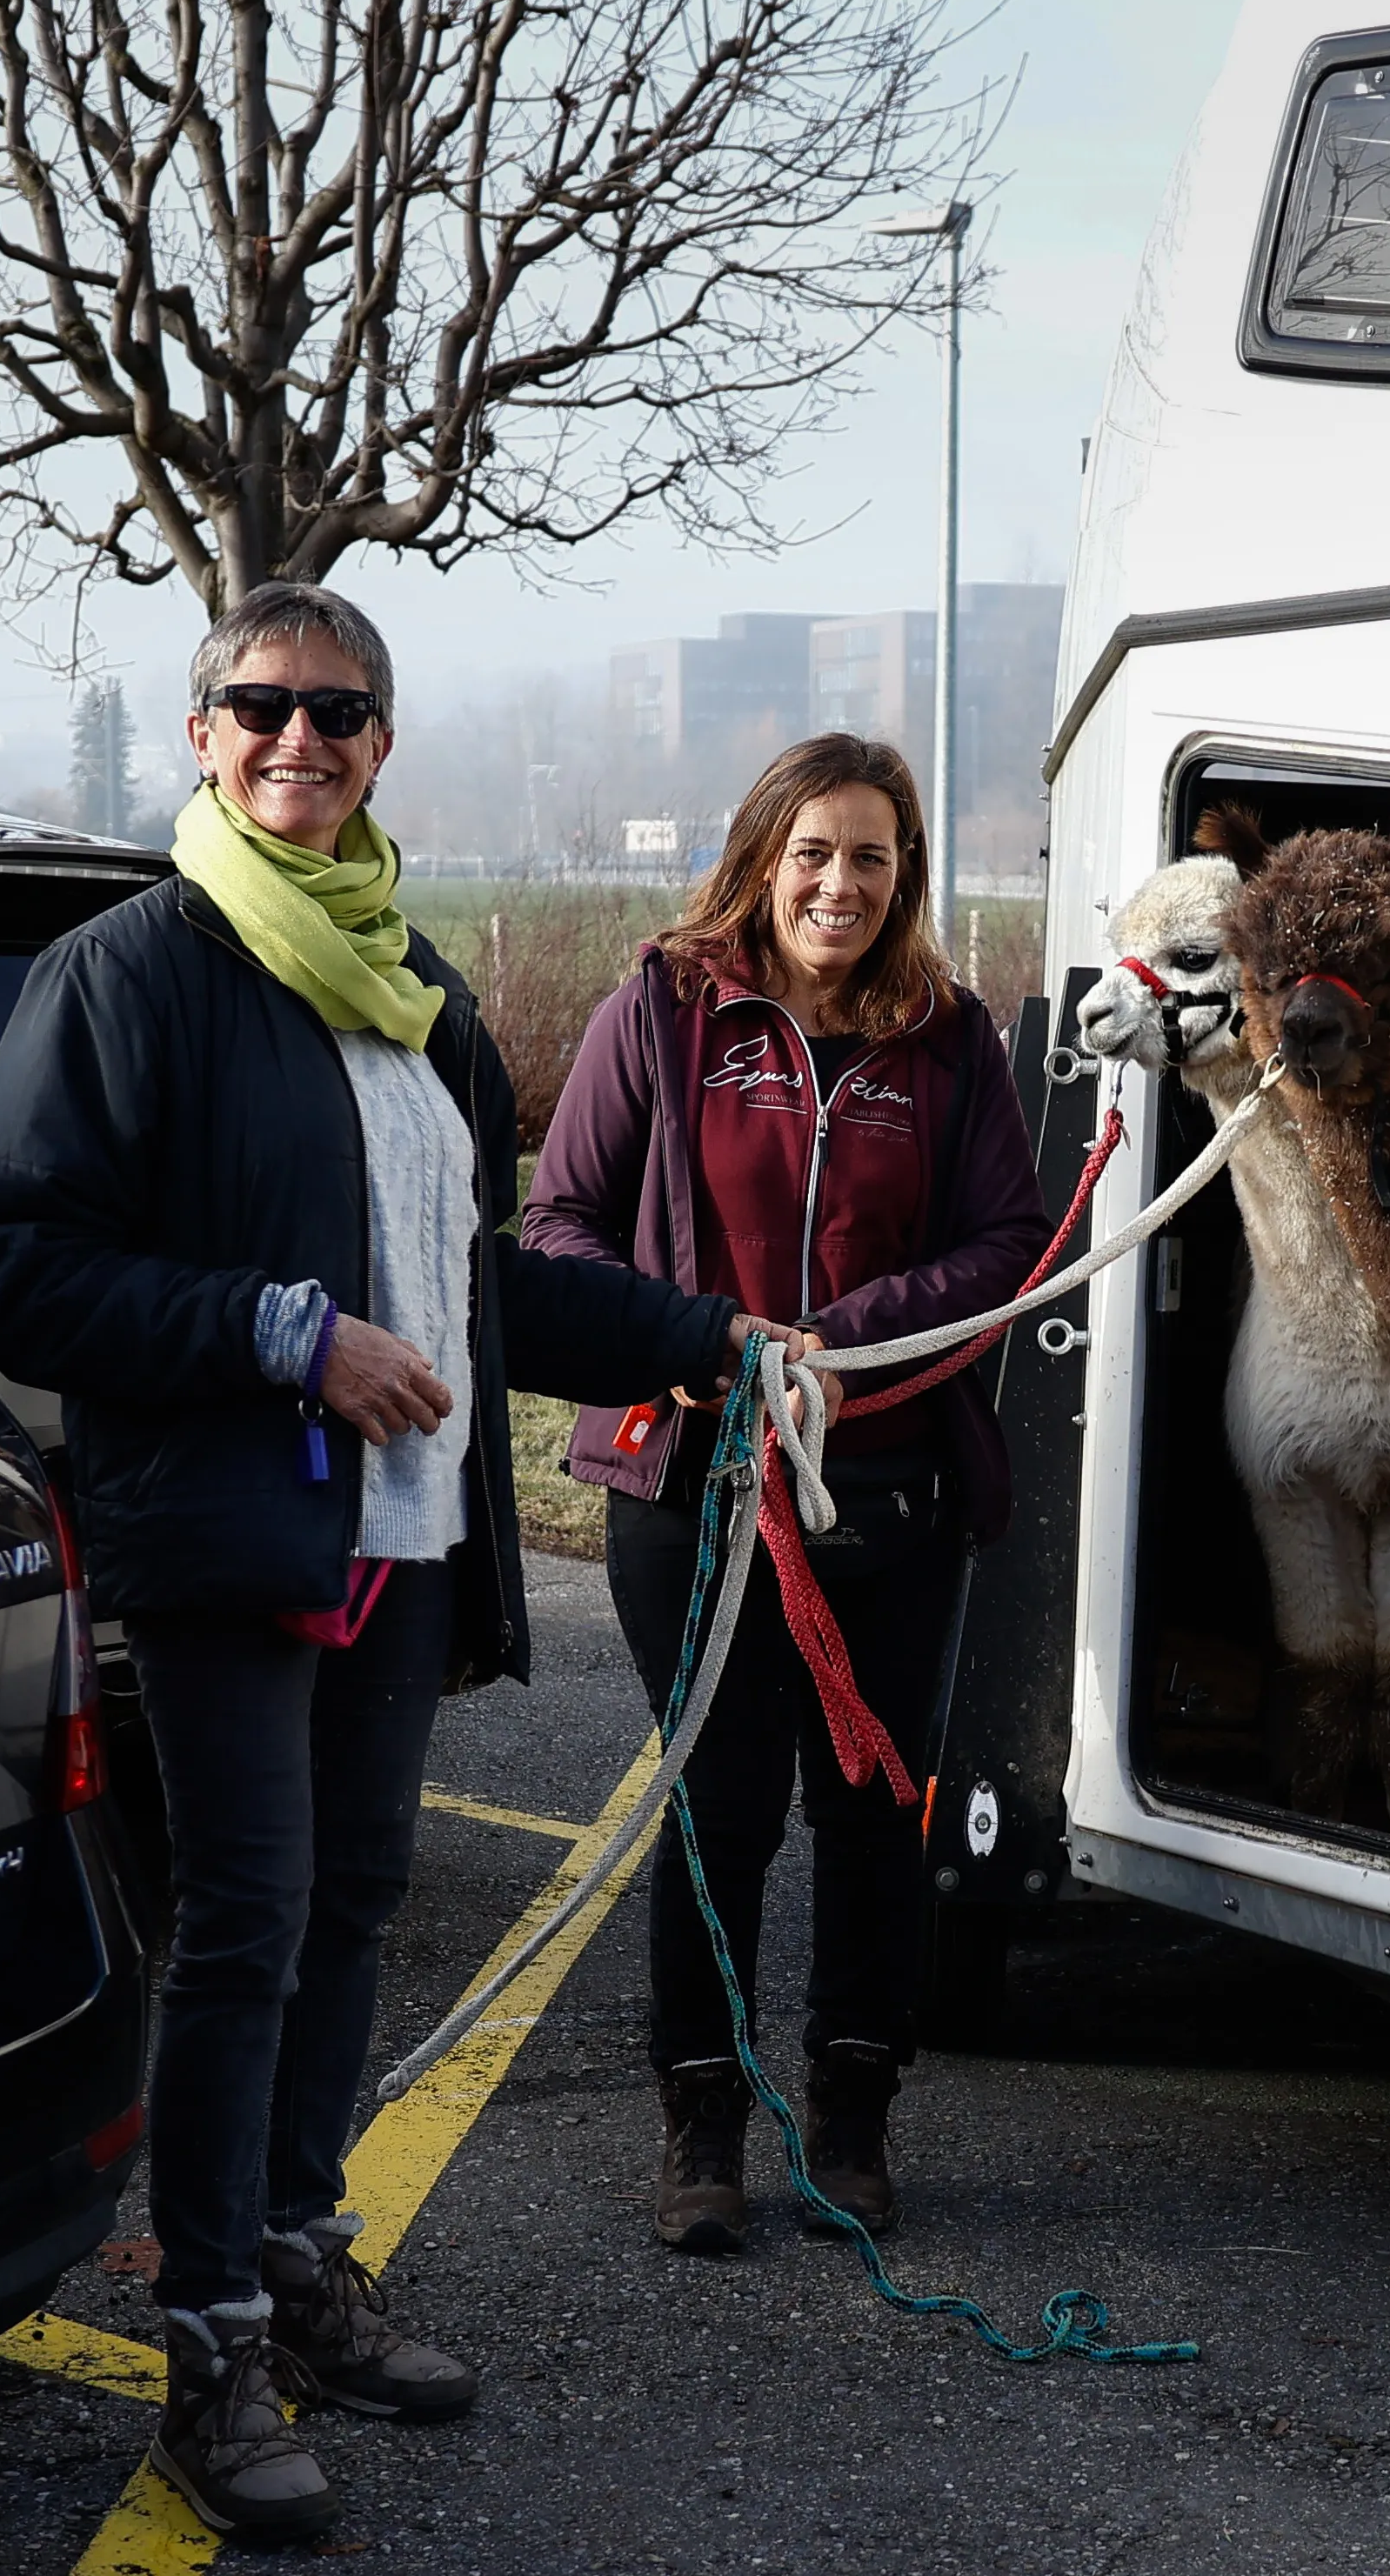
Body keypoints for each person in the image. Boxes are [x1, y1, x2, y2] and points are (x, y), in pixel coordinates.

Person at [0, 583, 800, 2548]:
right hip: (235, 1530)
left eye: (337, 711)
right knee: (247, 1918)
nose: (299, 737)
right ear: (201, 731)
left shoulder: (414, 985)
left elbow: (475, 1283)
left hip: (404, 1535)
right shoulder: (127, 974)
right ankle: (210, 2347)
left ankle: (298, 2254)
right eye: (261, 704)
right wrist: (284, 1333)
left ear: (382, 744)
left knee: (348, 1904)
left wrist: (707, 1336)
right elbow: (23, 1265)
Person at [525, 731, 1046, 2257]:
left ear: (905, 875)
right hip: (694, 1482)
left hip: (889, 1487)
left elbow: (1007, 1241)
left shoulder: (948, 1039)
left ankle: (853, 2117)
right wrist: (695, 1340)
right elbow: (560, 1224)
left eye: (870, 856)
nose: (838, 883)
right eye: (812, 851)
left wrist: (840, 1340)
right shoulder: (663, 1011)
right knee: (722, 1804)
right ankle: (702, 2124)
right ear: (762, 858)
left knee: (875, 1807)